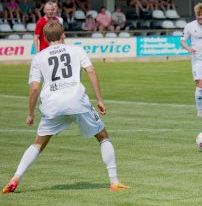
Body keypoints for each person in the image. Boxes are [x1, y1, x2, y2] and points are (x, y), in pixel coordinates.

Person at [2, 21, 128, 194]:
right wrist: (99, 99)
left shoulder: (39, 57)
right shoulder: (77, 49)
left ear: (45, 38)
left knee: (38, 143)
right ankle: (114, 182)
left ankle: (16, 177)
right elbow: (90, 71)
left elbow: (34, 88)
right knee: (103, 137)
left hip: (52, 105)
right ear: (64, 35)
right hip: (77, 101)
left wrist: (30, 114)